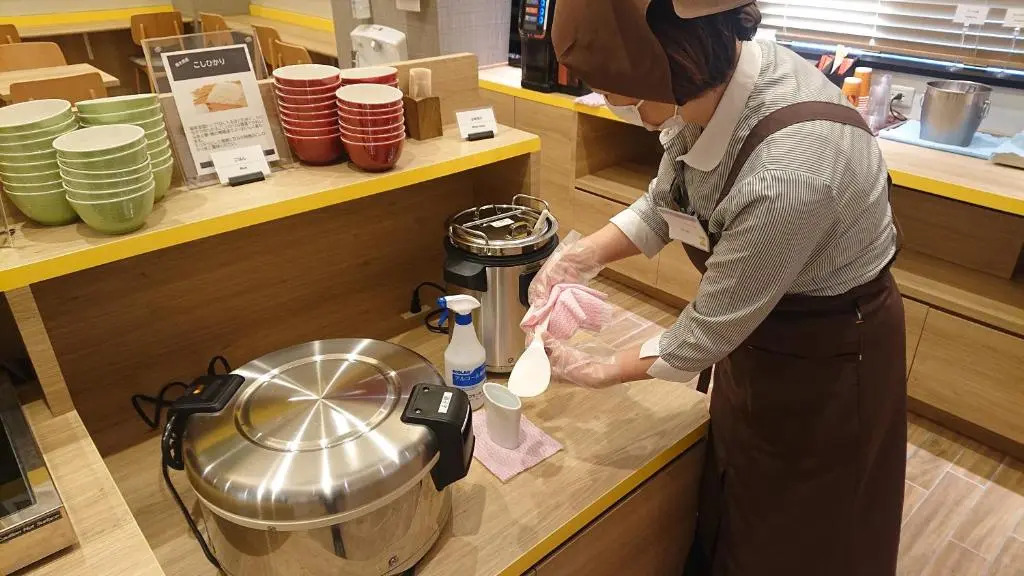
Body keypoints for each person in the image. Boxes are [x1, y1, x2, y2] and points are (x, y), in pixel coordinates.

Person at [527, 1, 907, 575]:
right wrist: (579, 257)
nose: (606, 101)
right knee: (737, 479)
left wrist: (598, 369)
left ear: (667, 61)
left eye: (611, 88)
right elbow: (670, 203)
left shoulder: (790, 175)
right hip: (760, 328)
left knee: (805, 523)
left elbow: (704, 332)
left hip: (831, 352)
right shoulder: (710, 88)